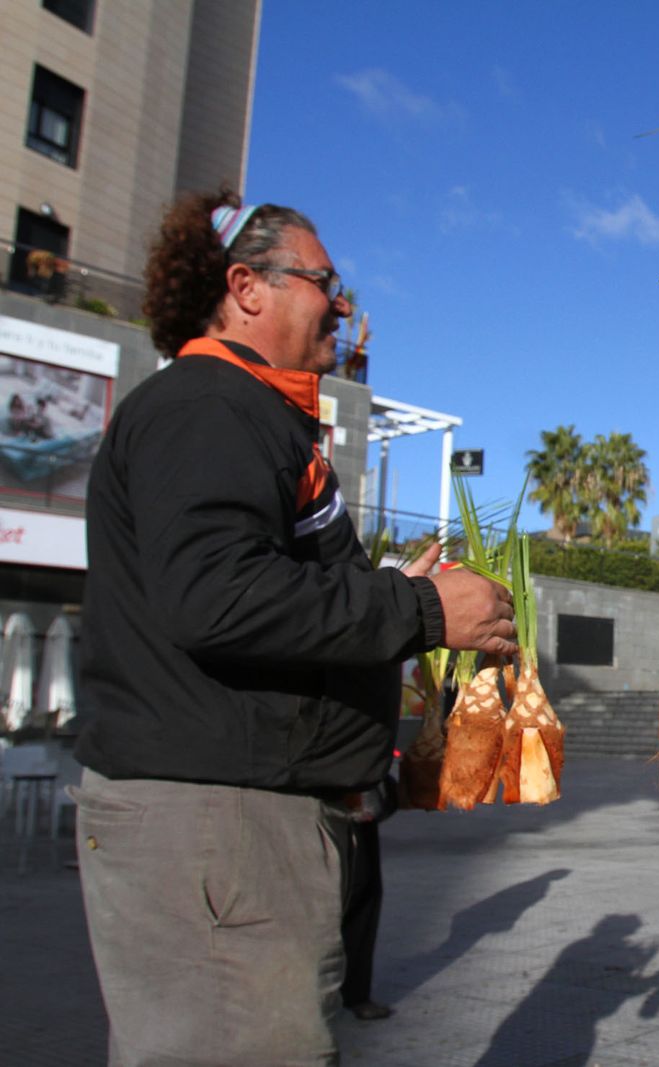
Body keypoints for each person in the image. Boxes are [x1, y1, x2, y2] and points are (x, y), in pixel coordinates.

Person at [70, 189, 517, 1066]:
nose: (342, 306)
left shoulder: (249, 416)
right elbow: (216, 595)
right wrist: (421, 611)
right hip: (218, 829)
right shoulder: (207, 406)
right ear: (248, 287)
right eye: (325, 282)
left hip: (238, 825)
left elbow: (248, 583)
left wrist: (390, 591)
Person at [341, 774, 396, 1022]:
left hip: (354, 791)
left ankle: (355, 991)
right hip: (325, 791)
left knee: (363, 891)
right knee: (355, 891)